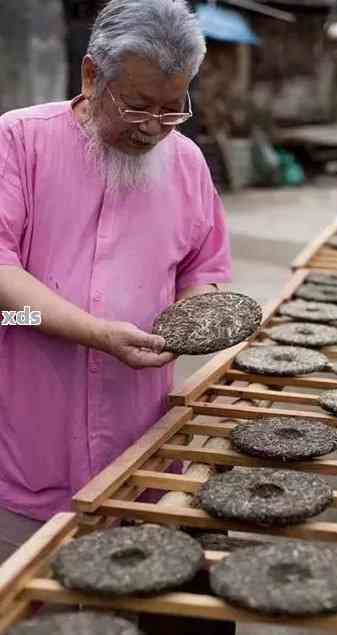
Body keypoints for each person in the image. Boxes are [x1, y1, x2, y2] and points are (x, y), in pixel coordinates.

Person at [0, 0, 232, 562]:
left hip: (139, 444)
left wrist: (194, 318)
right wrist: (94, 332)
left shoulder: (186, 163)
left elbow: (205, 269)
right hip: (26, 440)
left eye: (172, 110)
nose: (154, 128)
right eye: (137, 106)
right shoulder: (19, 140)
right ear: (90, 76)